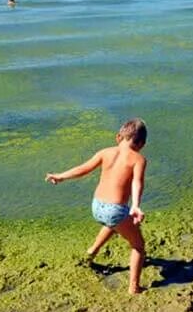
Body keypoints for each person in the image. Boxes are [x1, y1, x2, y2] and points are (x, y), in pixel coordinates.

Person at [45, 118, 148, 295]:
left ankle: (91, 252)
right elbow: (137, 183)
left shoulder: (105, 152)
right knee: (138, 246)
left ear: (118, 137)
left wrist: (61, 176)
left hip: (97, 205)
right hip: (115, 209)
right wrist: (136, 205)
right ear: (142, 144)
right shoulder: (138, 159)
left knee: (112, 224)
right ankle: (134, 287)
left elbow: (83, 168)